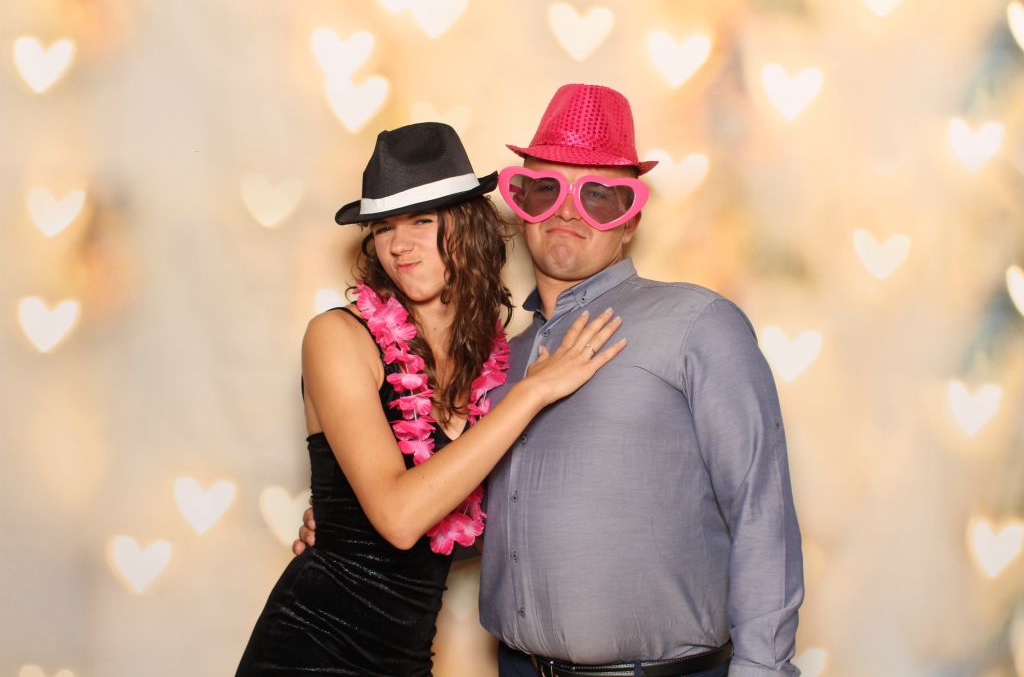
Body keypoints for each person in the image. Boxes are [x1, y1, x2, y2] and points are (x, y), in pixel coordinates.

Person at [297, 85, 804, 677]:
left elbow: (761, 511)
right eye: (544, 190)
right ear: (519, 206)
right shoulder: (497, 365)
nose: (566, 211)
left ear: (631, 220)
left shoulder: (697, 324)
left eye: (598, 196)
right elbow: (484, 521)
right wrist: (349, 524)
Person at [236, 121, 627, 677]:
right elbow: (400, 519)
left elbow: (459, 525)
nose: (399, 245)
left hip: (407, 659)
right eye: (384, 227)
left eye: (422, 220)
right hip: (312, 650)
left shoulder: (487, 362)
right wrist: (534, 391)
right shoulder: (338, 337)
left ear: (468, 226)